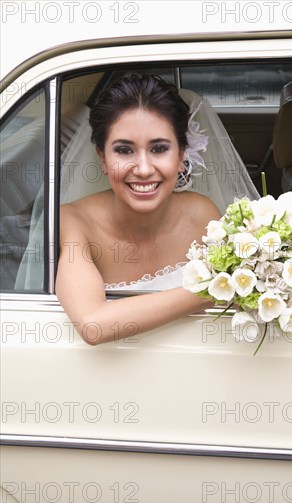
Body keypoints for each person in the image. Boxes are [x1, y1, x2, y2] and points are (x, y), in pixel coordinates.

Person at [55, 75, 221, 345]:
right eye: (124, 150)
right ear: (102, 157)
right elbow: (93, 325)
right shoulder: (74, 221)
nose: (143, 169)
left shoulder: (202, 215)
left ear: (180, 156)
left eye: (158, 149)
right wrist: (214, 290)